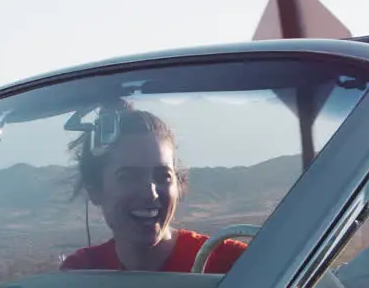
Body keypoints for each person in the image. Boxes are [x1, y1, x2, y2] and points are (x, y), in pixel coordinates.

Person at [60, 107, 248, 273]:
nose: (150, 193)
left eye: (163, 176)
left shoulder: (235, 264)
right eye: (129, 177)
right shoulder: (82, 272)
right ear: (95, 190)